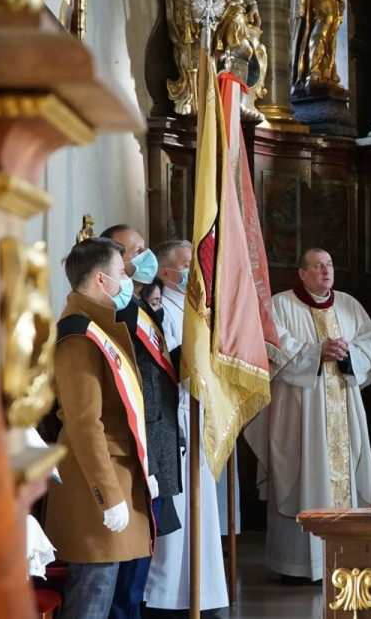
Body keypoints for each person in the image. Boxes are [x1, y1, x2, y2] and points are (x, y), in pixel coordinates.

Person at [245, 248, 371, 582]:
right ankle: (299, 566)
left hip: (343, 406)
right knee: (301, 473)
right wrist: (315, 353)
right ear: (302, 273)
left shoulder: (349, 305)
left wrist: (348, 354)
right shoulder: (280, 305)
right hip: (300, 411)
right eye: (318, 266)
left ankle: (346, 559)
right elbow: (271, 346)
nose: (326, 271)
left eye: (329, 265)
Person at [45, 237, 154, 619]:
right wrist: (107, 495)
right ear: (100, 279)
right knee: (92, 598)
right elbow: (84, 423)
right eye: (122, 272)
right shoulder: (78, 336)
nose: (128, 280)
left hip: (119, 475)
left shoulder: (100, 327)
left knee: (111, 597)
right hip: (97, 486)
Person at [142, 238, 230, 615]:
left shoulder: (196, 310)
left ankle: (202, 591)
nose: (195, 274)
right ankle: (169, 597)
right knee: (178, 518)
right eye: (186, 266)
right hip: (176, 417)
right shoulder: (161, 308)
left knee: (201, 516)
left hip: (198, 417)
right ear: (165, 272)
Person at [102, 226, 183, 619]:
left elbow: (158, 368)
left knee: (143, 551)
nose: (146, 255)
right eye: (137, 251)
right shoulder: (111, 309)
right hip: (138, 444)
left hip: (158, 438)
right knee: (128, 558)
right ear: (116, 261)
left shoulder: (141, 305)